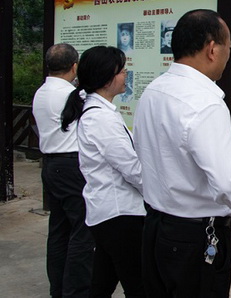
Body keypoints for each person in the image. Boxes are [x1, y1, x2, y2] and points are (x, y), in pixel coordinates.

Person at [134, 9, 231, 297]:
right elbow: (228, 181)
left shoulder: (153, 91)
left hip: (155, 228)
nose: (229, 56)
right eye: (229, 48)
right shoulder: (205, 102)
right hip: (194, 239)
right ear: (212, 49)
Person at [60, 46, 145, 297]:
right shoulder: (100, 119)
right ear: (107, 78)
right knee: (139, 285)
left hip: (110, 212)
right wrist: (160, 193)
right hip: (120, 214)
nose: (126, 75)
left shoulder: (100, 112)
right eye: (122, 71)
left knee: (101, 283)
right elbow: (131, 168)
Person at [32, 43, 95, 298]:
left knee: (58, 232)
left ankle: (58, 289)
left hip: (51, 165)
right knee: (82, 232)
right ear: (74, 66)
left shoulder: (41, 93)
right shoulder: (74, 95)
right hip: (71, 166)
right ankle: (76, 291)